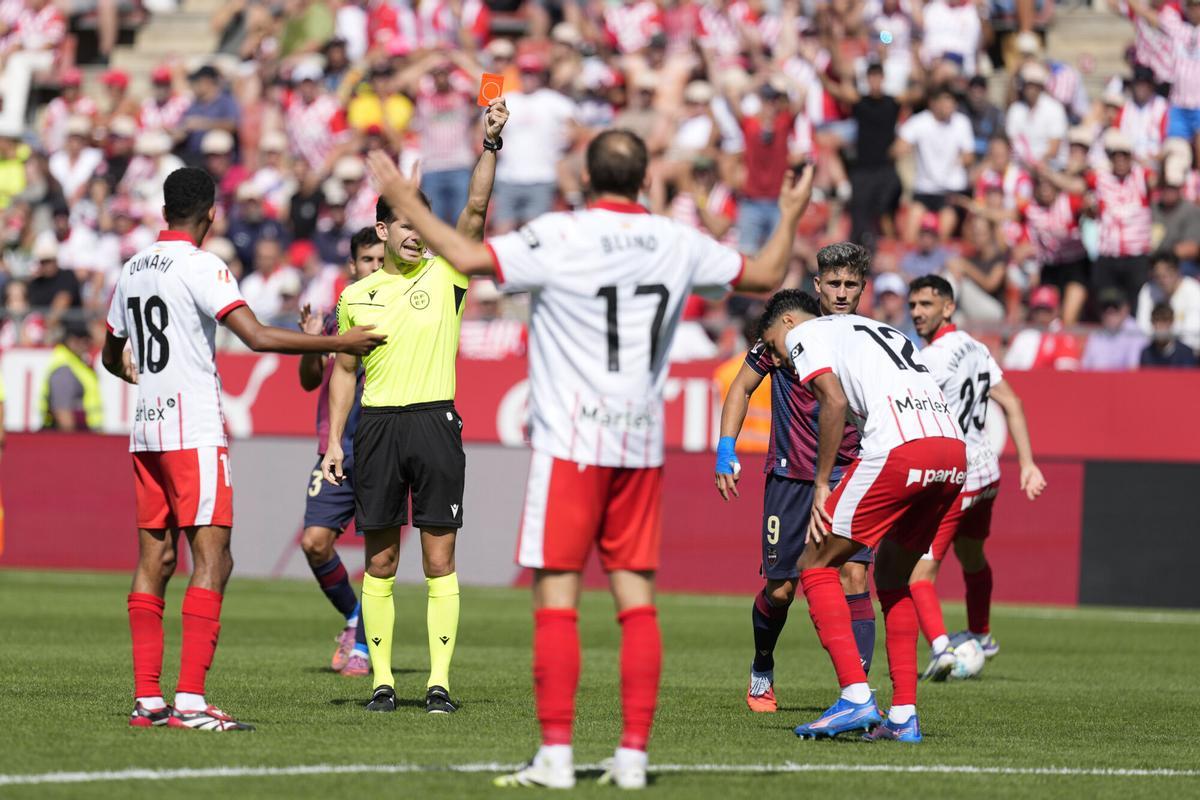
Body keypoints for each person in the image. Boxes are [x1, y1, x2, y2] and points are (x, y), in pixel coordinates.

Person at [365, 128, 814, 788]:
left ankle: (555, 755)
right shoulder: (676, 239)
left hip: (571, 445)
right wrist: (792, 212)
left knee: (556, 601)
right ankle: (632, 756)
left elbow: (463, 251)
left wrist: (405, 195)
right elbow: (770, 275)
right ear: (641, 180)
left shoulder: (560, 234)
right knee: (636, 602)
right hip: (638, 446)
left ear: (584, 175)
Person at [100, 167, 383, 731]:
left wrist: (137, 375)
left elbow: (111, 353)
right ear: (211, 213)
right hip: (195, 432)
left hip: (147, 431)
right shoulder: (204, 266)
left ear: (163, 210)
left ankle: (148, 700)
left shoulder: (132, 268)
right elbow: (255, 336)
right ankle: (190, 701)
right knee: (214, 559)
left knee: (153, 559)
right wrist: (338, 341)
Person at [322, 99, 509, 717]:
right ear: (381, 230)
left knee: (438, 557)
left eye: (418, 223)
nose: (410, 232)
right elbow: (345, 371)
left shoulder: (446, 273)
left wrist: (488, 144)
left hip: (433, 421)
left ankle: (438, 684)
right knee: (378, 558)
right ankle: (381, 682)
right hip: (375, 428)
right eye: (400, 221)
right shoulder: (356, 294)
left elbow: (476, 208)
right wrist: (332, 443)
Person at [756, 292, 966, 744]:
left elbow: (831, 403)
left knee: (814, 563)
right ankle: (905, 714)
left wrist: (821, 483)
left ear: (788, 322)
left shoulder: (806, 333)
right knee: (893, 576)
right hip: (952, 451)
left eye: (773, 345)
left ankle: (854, 695)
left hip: (900, 447)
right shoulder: (877, 329)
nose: (777, 356)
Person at [715, 244, 877, 715]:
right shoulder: (786, 336)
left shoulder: (869, 338)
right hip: (790, 477)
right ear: (818, 286)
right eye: (834, 283)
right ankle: (762, 667)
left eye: (851, 285)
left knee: (853, 574)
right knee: (781, 590)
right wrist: (727, 450)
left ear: (862, 288)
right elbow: (741, 388)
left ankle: (858, 693)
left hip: (849, 474)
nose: (842, 293)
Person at [906, 276, 1046, 679]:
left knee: (918, 573)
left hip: (957, 475)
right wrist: (1027, 463)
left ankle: (940, 650)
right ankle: (982, 635)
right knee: (971, 556)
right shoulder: (976, 346)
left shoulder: (930, 359)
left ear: (948, 307)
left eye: (926, 305)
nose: (917, 312)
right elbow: (1013, 403)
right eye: (913, 305)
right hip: (988, 472)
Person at [297, 228, 385, 678]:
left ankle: (365, 649)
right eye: (366, 259)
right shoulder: (338, 316)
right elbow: (312, 381)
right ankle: (355, 618)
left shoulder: (399, 310)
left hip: (382, 448)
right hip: (336, 449)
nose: (373, 266)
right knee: (314, 542)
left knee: (376, 554)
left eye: (379, 259)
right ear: (353, 266)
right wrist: (314, 343)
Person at [893, 87, 975, 242]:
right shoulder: (920, 122)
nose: (950, 105)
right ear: (933, 103)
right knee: (909, 234)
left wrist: (960, 160)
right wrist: (905, 148)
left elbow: (969, 157)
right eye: (946, 101)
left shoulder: (961, 122)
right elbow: (897, 148)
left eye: (952, 101)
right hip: (925, 189)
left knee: (942, 234)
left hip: (951, 191)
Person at [40, 323, 102, 432]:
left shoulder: (75, 364)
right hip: (71, 440)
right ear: (72, 342)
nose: (88, 345)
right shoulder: (64, 371)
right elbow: (64, 417)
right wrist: (76, 444)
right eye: (85, 340)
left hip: (84, 435)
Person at [1136, 252, 1200, 349]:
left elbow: (1192, 334)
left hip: (1186, 352)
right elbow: (1143, 327)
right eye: (1158, 276)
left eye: (1167, 275)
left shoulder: (1194, 291)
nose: (1163, 281)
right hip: (1155, 349)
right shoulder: (1147, 290)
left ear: (1178, 271)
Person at [1082, 288, 1148, 370]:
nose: (1110, 311)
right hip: (1099, 381)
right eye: (1105, 307)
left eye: (1115, 306)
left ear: (1126, 309)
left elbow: (1133, 370)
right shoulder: (1096, 335)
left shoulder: (1135, 333)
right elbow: (1086, 368)